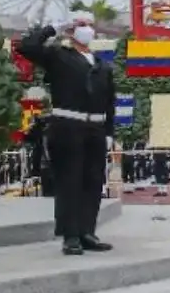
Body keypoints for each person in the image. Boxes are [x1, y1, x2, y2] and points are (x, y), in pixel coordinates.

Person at [16, 18, 115, 256]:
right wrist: (53, 28)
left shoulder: (102, 65)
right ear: (71, 30)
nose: (87, 28)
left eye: (90, 24)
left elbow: (109, 101)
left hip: (96, 128)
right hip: (68, 125)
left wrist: (110, 132)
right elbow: (26, 47)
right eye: (82, 24)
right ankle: (70, 236)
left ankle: (86, 232)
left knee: (92, 182)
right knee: (69, 180)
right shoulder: (59, 56)